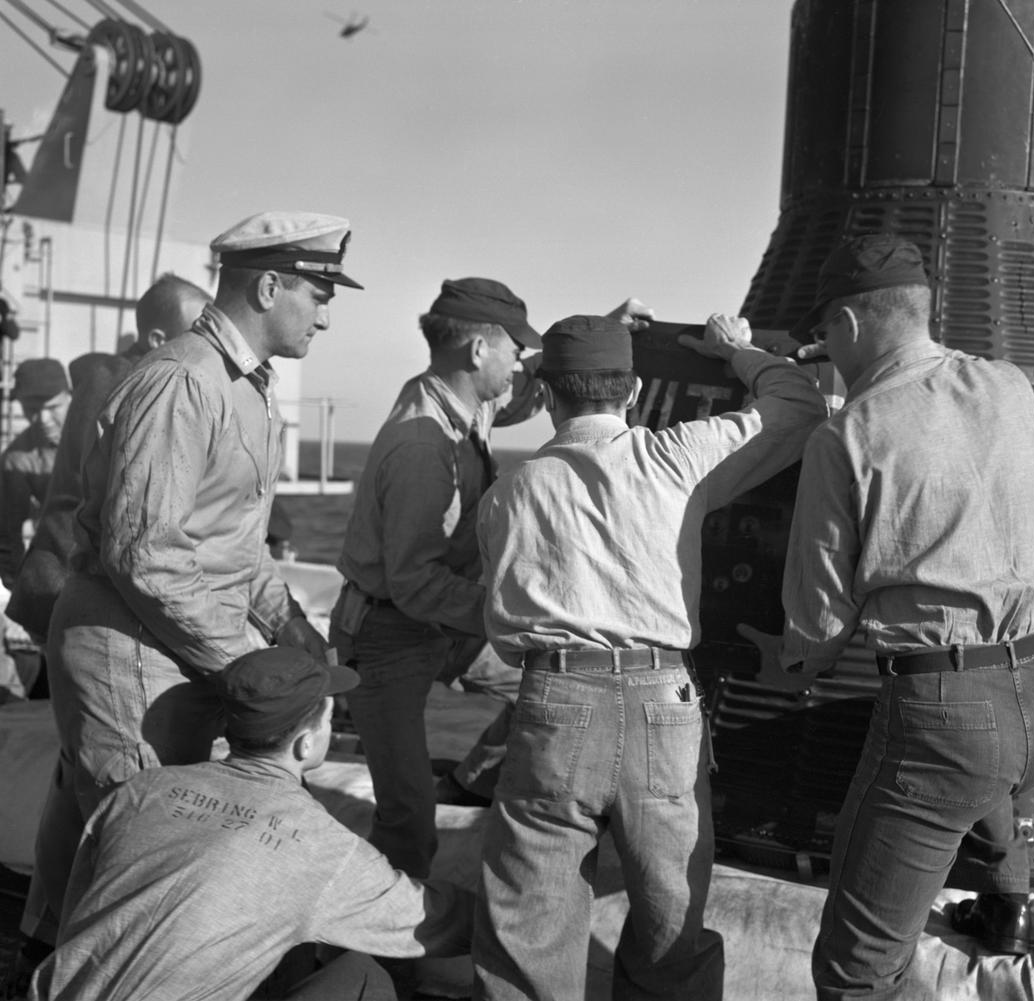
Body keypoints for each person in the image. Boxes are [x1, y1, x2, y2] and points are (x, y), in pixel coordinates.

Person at [22, 212, 352, 957]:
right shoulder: (182, 382)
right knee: (139, 859)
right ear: (269, 286)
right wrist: (247, 660)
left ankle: (42, 965)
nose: (326, 317)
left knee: (99, 836)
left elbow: (234, 545)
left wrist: (293, 628)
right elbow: (147, 554)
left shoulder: (247, 391)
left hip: (172, 644)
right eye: (319, 294)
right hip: (129, 648)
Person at [472, 312, 826, 1001]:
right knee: (672, 926)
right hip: (663, 702)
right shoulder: (677, 459)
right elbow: (799, 406)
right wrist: (738, 350)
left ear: (547, 395)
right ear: (631, 391)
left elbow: (505, 630)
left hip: (553, 701)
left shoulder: (506, 496)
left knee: (528, 929)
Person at [775, 233, 1034, 998]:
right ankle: (1006, 903)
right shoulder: (1009, 385)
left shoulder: (845, 434)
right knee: (992, 767)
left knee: (854, 969)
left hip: (948, 724)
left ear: (845, 325)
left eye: (825, 337)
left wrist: (785, 661)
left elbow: (816, 628)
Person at [330, 277, 652, 879]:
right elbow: (415, 583)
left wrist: (605, 331)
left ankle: (473, 781)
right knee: (405, 813)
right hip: (387, 633)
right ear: (479, 352)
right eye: (515, 349)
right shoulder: (422, 447)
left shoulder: (457, 395)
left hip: (439, 623)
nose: (522, 363)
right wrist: (516, 614)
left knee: (562, 673)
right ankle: (376, 948)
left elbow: (525, 396)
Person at [28, 646, 474, 1001]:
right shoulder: (322, 849)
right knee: (362, 978)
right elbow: (435, 922)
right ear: (304, 744)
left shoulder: (142, 792)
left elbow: (79, 902)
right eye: (328, 718)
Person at [6, 274, 211, 647]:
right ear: (157, 341)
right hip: (70, 590)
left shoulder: (112, 377)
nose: (207, 346)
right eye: (197, 333)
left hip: (62, 584)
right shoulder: (124, 384)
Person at [0, 358, 70, 589]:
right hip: (63, 562)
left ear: (70, 396)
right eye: (31, 409)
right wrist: (17, 587)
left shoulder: (102, 432)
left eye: (52, 408)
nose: (42, 420)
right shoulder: (17, 459)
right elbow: (7, 534)